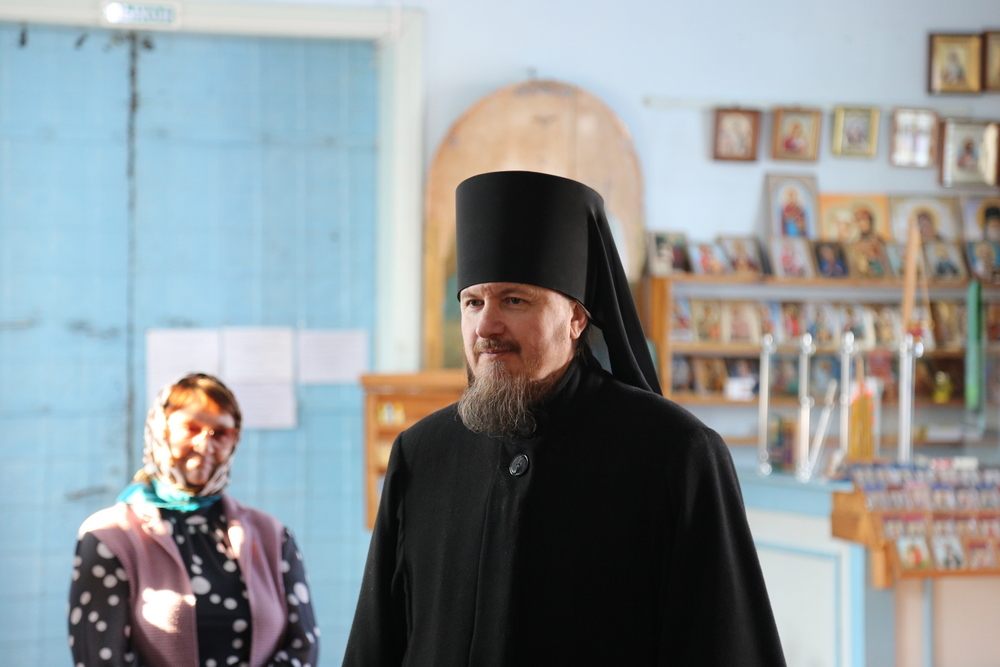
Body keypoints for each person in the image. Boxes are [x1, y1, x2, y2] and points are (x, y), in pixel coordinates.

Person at [343, 171, 785, 665]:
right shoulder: (422, 454)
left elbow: (727, 648)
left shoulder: (674, 454)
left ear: (577, 318)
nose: (486, 325)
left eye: (514, 300)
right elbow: (375, 645)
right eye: (473, 302)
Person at [69, 374, 319, 667]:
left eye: (220, 433)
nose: (205, 444)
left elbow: (303, 648)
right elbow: (101, 659)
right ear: (160, 430)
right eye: (191, 428)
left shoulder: (272, 536)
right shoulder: (111, 536)